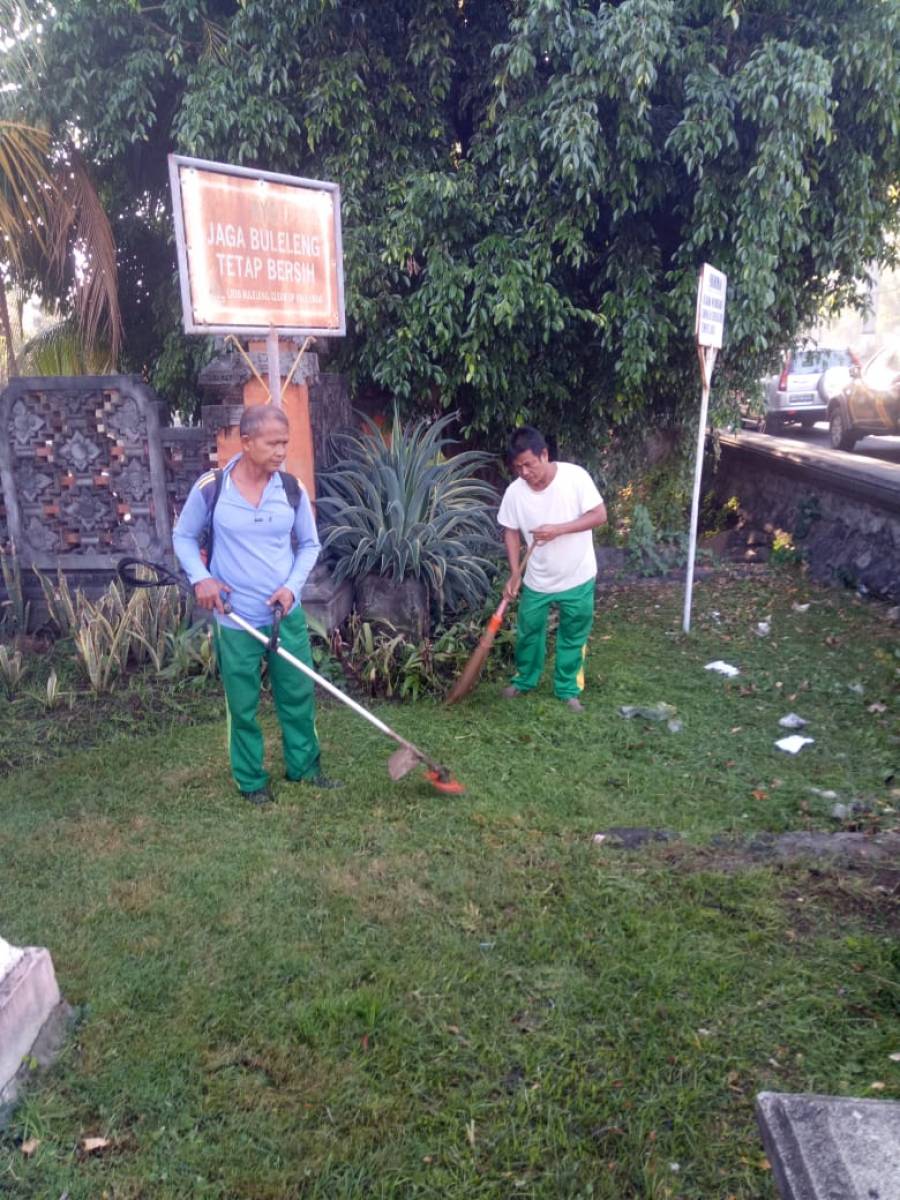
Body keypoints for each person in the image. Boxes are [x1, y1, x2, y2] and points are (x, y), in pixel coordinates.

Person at [173, 404, 339, 804]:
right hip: (235, 620)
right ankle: (250, 780)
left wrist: (292, 589)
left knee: (297, 695)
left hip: (284, 615)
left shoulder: (291, 489)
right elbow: (183, 537)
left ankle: (304, 767)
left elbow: (310, 544)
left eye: (285, 443)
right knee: (242, 705)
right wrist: (201, 578)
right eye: (273, 443)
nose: (281, 451)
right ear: (246, 442)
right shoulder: (212, 488)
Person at [497, 426, 607, 712]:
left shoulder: (575, 477)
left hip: (578, 575)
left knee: (573, 634)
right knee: (528, 631)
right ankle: (524, 680)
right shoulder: (514, 493)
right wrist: (515, 572)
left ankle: (567, 689)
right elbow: (510, 531)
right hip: (537, 579)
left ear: (544, 455)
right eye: (518, 467)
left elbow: (600, 515)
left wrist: (559, 529)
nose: (524, 473)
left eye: (528, 464)